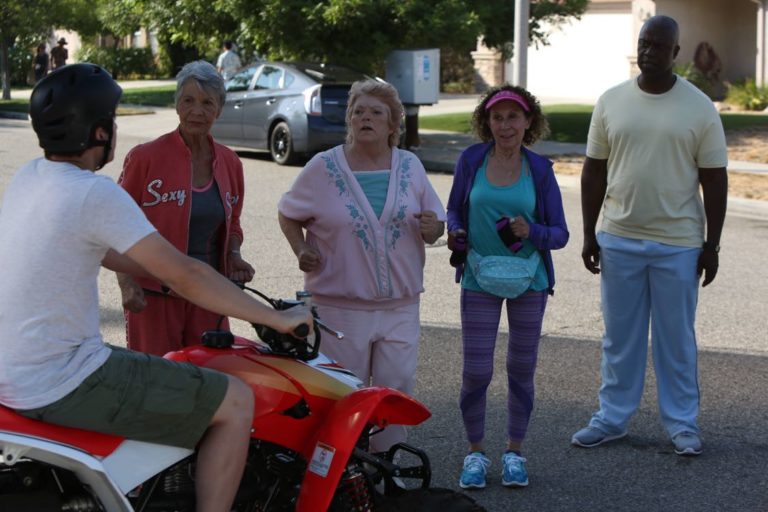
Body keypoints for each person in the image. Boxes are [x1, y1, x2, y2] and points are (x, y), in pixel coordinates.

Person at [0, 63, 313, 512]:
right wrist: (276, 318)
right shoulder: (92, 192)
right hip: (64, 379)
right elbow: (186, 275)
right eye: (111, 119)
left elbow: (111, 254)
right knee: (235, 400)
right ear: (99, 131)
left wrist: (173, 271)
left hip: (16, 373)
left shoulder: (30, 177)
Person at [571, 15, 728, 457]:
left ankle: (682, 424)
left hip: (678, 244)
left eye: (659, 45)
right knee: (619, 338)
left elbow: (715, 179)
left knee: (675, 340)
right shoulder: (611, 101)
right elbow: (593, 172)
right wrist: (589, 233)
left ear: (675, 52)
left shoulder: (699, 107)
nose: (649, 51)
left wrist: (712, 246)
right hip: (619, 237)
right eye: (644, 42)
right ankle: (611, 418)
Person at [277, 79, 446, 453]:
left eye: (376, 112)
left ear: (392, 124)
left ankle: (387, 467)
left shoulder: (410, 166)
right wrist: (300, 248)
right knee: (342, 394)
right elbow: (288, 212)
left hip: (400, 306)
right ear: (349, 120)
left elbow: (435, 223)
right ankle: (342, 471)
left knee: (394, 393)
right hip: (340, 309)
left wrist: (433, 228)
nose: (365, 118)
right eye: (358, 112)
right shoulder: (323, 168)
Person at [446, 84, 569, 489]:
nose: (505, 125)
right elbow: (454, 209)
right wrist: (456, 232)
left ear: (528, 121)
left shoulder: (540, 170)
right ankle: (475, 452)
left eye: (513, 117)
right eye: (496, 117)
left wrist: (531, 231)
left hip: (529, 279)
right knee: (476, 371)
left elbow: (560, 233)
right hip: (479, 275)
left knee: (520, 368)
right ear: (487, 122)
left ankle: (514, 452)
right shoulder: (471, 160)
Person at [117, 60, 255, 357]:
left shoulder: (230, 163)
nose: (197, 111)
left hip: (210, 294)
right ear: (177, 105)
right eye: (188, 100)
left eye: (208, 103)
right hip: (154, 295)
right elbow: (117, 223)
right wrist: (126, 283)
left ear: (219, 110)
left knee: (211, 374)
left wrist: (234, 254)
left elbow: (233, 223)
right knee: (157, 377)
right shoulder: (145, 158)